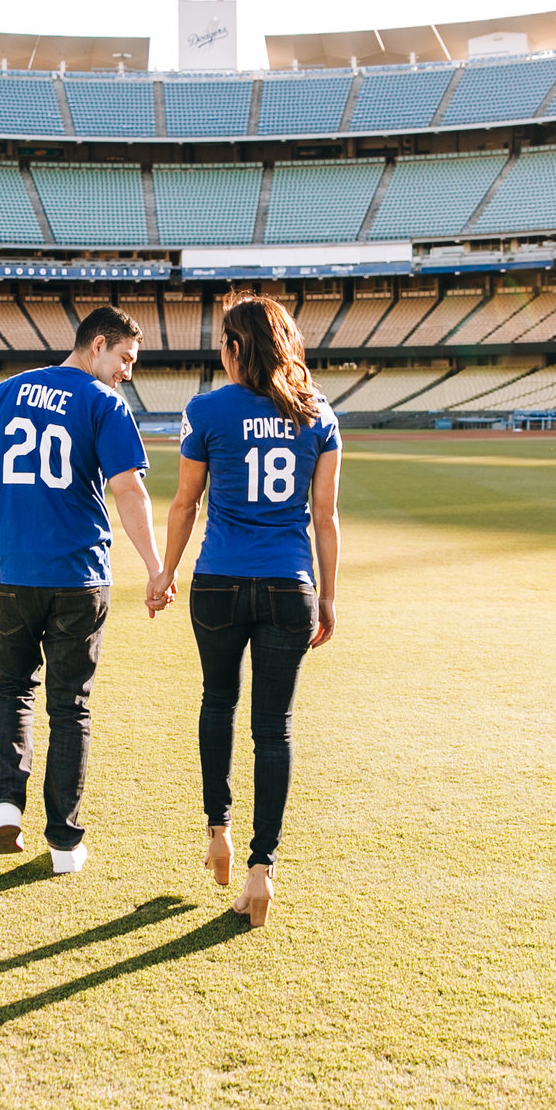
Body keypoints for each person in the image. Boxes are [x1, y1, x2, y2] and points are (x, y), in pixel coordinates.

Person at [151, 293, 340, 928]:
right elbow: (326, 518)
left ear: (235, 348)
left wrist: (166, 572)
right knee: (275, 729)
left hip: (220, 581)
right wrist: (330, 596)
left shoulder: (205, 409)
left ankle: (217, 831)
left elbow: (184, 504)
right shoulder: (318, 413)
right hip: (290, 584)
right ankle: (263, 870)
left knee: (216, 702)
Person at [0, 306, 167, 875]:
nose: (127, 371)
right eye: (124, 358)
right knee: (70, 707)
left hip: (8, 573)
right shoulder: (105, 404)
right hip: (78, 576)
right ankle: (64, 844)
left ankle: (6, 805)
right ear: (97, 345)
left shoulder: (4, 393)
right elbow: (128, 490)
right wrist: (155, 566)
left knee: (12, 690)